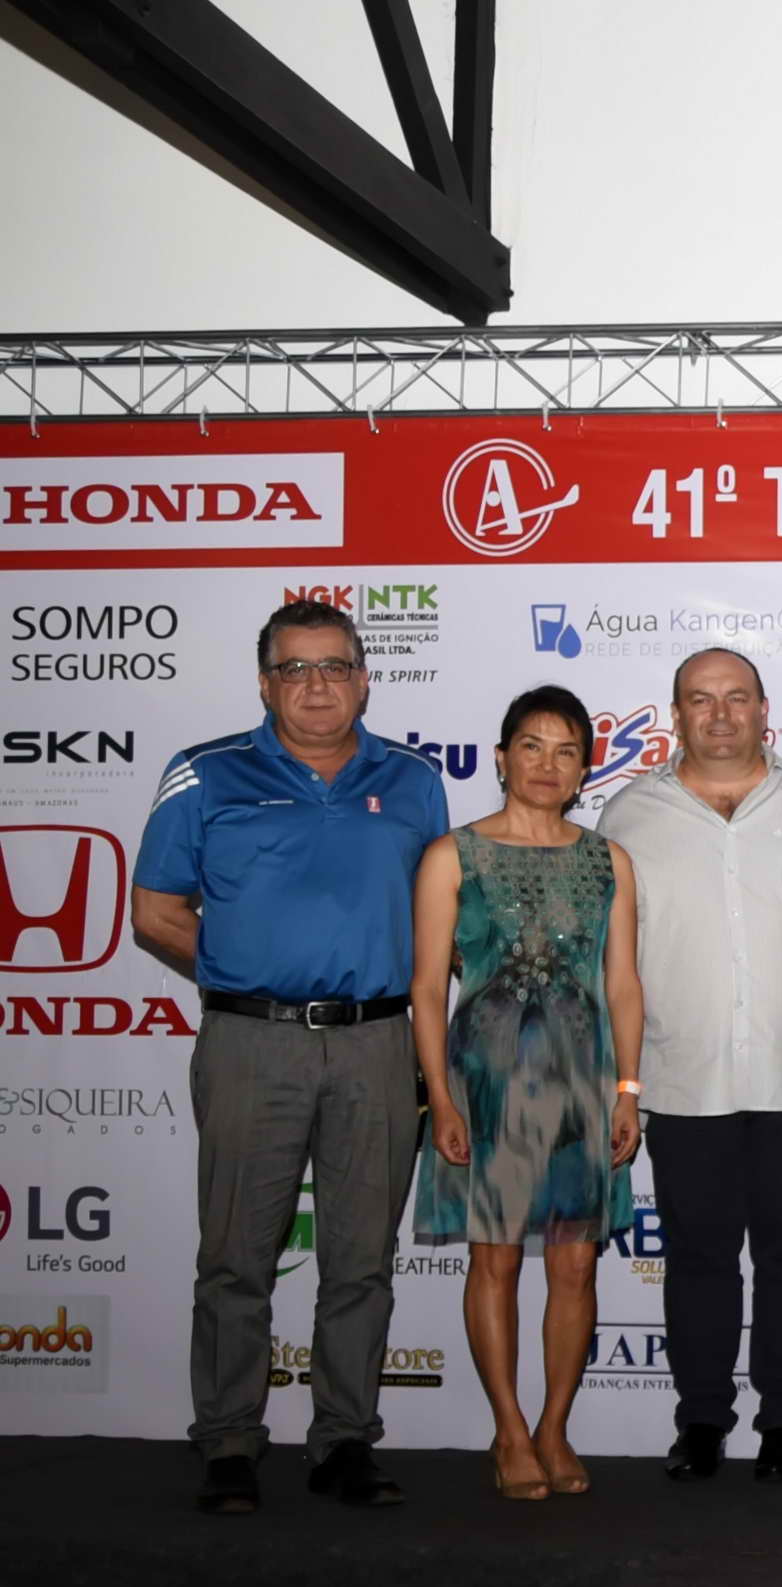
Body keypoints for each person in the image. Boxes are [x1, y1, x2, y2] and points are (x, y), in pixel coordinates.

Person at [132, 602, 451, 1515]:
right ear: (266, 683)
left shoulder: (414, 780)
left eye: (335, 666)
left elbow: (435, 919)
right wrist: (247, 970)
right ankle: (229, 1441)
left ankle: (343, 1440)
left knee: (362, 1259)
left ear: (364, 679)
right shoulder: (204, 772)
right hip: (251, 1043)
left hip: (378, 1043)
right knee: (236, 1256)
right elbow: (155, 911)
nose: (317, 685)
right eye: (295, 668)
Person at [599, 648, 782, 1485]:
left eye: (737, 697)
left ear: (764, 708)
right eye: (701, 700)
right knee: (698, 1262)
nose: (720, 714)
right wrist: (621, 1079)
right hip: (682, 1078)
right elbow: (613, 964)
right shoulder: (629, 814)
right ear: (676, 714)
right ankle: (700, 1419)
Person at [410, 685, 642, 1500]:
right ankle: (509, 1428)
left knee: (576, 1265)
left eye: (566, 750)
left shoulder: (609, 861)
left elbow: (623, 985)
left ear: (585, 770)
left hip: (581, 1087)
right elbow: (426, 989)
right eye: (532, 746)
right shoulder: (452, 856)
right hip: (487, 1085)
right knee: (497, 1259)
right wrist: (440, 1098)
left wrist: (627, 1090)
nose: (548, 764)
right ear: (502, 757)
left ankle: (554, 1426)